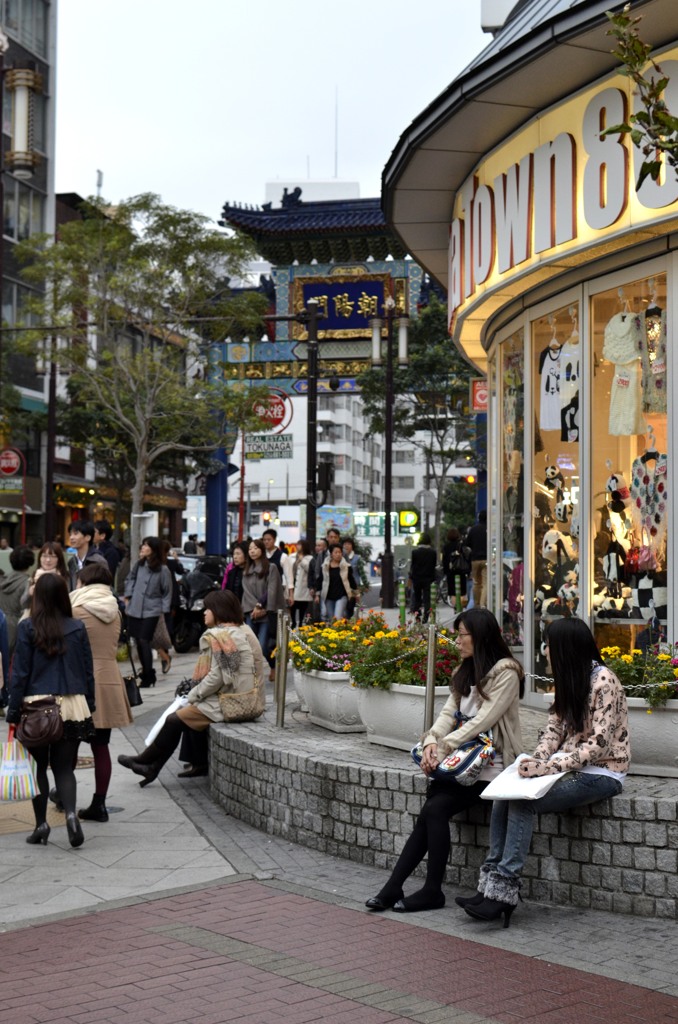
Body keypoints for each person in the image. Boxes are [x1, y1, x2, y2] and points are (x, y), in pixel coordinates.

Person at [461, 617, 629, 928]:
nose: (545, 652)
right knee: (505, 792)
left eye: (549, 645)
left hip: (603, 773)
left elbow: (599, 746)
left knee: (524, 803)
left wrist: (548, 766)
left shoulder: (604, 681)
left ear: (564, 648)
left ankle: (504, 891)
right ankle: (489, 885)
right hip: (565, 769)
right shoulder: (570, 678)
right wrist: (534, 761)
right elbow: (553, 731)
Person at [365, 607, 524, 914]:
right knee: (431, 810)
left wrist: (443, 747)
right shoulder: (464, 672)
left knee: (434, 808)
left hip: (491, 770)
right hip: (460, 766)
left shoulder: (507, 674)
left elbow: (481, 721)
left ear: (479, 637)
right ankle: (399, 887)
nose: (457, 641)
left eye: (462, 635)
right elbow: (446, 717)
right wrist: (430, 743)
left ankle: (426, 889)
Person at [117, 590, 265, 785]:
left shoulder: (227, 635)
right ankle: (151, 766)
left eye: (207, 609)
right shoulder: (234, 631)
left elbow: (220, 676)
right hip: (234, 695)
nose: (203, 613)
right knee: (180, 715)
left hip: (233, 700)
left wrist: (195, 694)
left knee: (174, 719)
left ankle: (146, 762)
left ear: (219, 611)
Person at [5, 573, 96, 848]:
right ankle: (70, 814)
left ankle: (41, 825)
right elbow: (87, 669)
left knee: (38, 768)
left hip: (37, 705)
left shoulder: (28, 627)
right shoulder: (77, 627)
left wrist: (12, 709)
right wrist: (89, 702)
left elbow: (20, 672)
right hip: (73, 703)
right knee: (64, 767)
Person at [70, 562, 133, 822]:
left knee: (69, 744)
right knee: (101, 746)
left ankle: (65, 796)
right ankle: (100, 804)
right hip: (108, 680)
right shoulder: (115, 610)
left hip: (79, 681)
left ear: (84, 582)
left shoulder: (75, 609)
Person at [124, 536, 172, 689]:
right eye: (143, 545)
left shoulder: (163, 569)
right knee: (137, 640)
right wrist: (129, 596)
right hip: (135, 608)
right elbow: (130, 579)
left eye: (146, 546)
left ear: (153, 549)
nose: (143, 548)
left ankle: (149, 674)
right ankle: (145, 672)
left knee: (145, 640)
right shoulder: (139, 565)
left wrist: (163, 610)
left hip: (152, 610)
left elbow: (167, 591)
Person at [241, 538, 285, 681]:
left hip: (266, 612)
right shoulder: (246, 570)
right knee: (251, 645)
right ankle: (254, 675)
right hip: (251, 612)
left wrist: (261, 606)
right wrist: (255, 607)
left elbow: (272, 590)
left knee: (263, 645)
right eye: (250, 549)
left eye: (255, 548)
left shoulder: (271, 567)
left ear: (262, 550)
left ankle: (273, 666)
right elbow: (246, 591)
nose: (252, 551)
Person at [0, 543, 34, 651]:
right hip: (16, 624)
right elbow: (25, 604)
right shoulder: (27, 582)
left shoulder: (3, 578)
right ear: (30, 563)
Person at [66, 521, 108, 591]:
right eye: (70, 534)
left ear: (88, 537)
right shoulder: (72, 562)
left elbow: (105, 588)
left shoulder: (98, 561)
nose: (71, 537)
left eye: (76, 534)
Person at [321, 544, 357, 621]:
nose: (338, 554)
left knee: (337, 618)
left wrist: (356, 592)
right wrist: (317, 593)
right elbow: (320, 579)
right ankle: (337, 632)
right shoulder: (325, 566)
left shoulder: (346, 566)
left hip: (342, 595)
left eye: (340, 552)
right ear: (331, 554)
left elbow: (351, 579)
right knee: (331, 620)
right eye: (336, 552)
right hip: (328, 596)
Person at [409, 533, 438, 622]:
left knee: (417, 597)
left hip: (417, 578)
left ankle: (417, 614)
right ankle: (426, 616)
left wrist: (411, 577)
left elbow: (412, 566)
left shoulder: (415, 552)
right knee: (427, 598)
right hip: (428, 578)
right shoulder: (433, 552)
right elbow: (433, 565)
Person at [262, 528, 294, 605]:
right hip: (262, 590)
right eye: (264, 540)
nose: (266, 542)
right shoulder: (261, 555)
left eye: (269, 539)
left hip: (277, 590)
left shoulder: (283, 556)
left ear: (275, 540)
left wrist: (291, 595)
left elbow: (289, 577)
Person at [442, 528, 469, 610]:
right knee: (462, 591)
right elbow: (466, 557)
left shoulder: (446, 546)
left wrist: (446, 571)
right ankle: (461, 607)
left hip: (450, 572)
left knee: (453, 592)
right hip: (461, 570)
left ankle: (456, 608)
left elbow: (444, 560)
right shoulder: (461, 545)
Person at [466, 510, 488, 608]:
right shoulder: (489, 529)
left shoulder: (473, 529)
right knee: (485, 583)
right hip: (487, 559)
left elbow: (467, 543)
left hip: (475, 560)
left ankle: (476, 604)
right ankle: (483, 604)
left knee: (476, 583)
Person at [291, 539, 313, 627]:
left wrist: (302, 560)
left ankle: (300, 623)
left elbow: (309, 569)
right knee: (292, 605)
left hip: (303, 586)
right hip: (295, 584)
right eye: (297, 544)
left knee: (302, 606)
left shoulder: (309, 558)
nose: (298, 547)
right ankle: (293, 622)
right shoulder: (294, 556)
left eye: (300, 545)